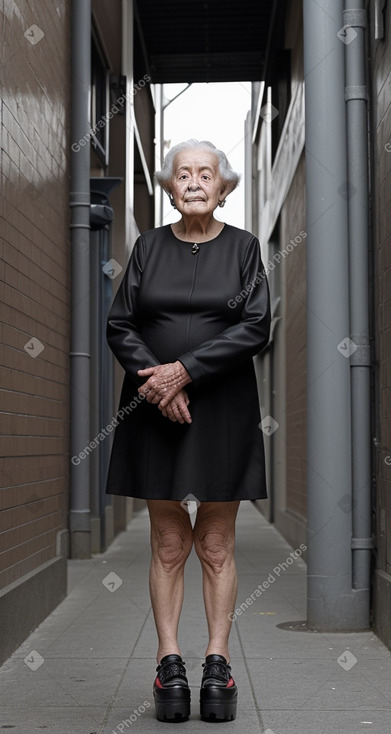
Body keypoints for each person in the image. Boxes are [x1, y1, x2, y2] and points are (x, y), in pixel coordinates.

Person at [105, 139, 271, 723]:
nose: (195, 182)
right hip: (154, 406)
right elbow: (120, 323)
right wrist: (158, 383)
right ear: (170, 187)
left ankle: (217, 663)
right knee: (170, 542)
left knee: (217, 543)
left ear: (224, 186)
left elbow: (256, 325)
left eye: (206, 174)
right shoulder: (148, 247)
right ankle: (169, 661)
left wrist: (186, 372)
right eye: (183, 174)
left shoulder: (245, 249)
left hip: (222, 407)